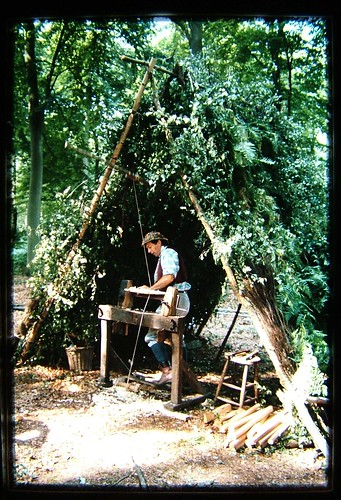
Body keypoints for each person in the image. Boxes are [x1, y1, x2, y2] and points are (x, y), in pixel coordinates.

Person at [138, 231, 191, 385]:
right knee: (176, 338)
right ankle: (182, 376)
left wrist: (150, 289)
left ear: (159, 242)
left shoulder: (168, 254)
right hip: (175, 300)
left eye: (150, 247)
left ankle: (168, 371)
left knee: (152, 336)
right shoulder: (164, 256)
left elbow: (169, 277)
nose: (149, 251)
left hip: (177, 300)